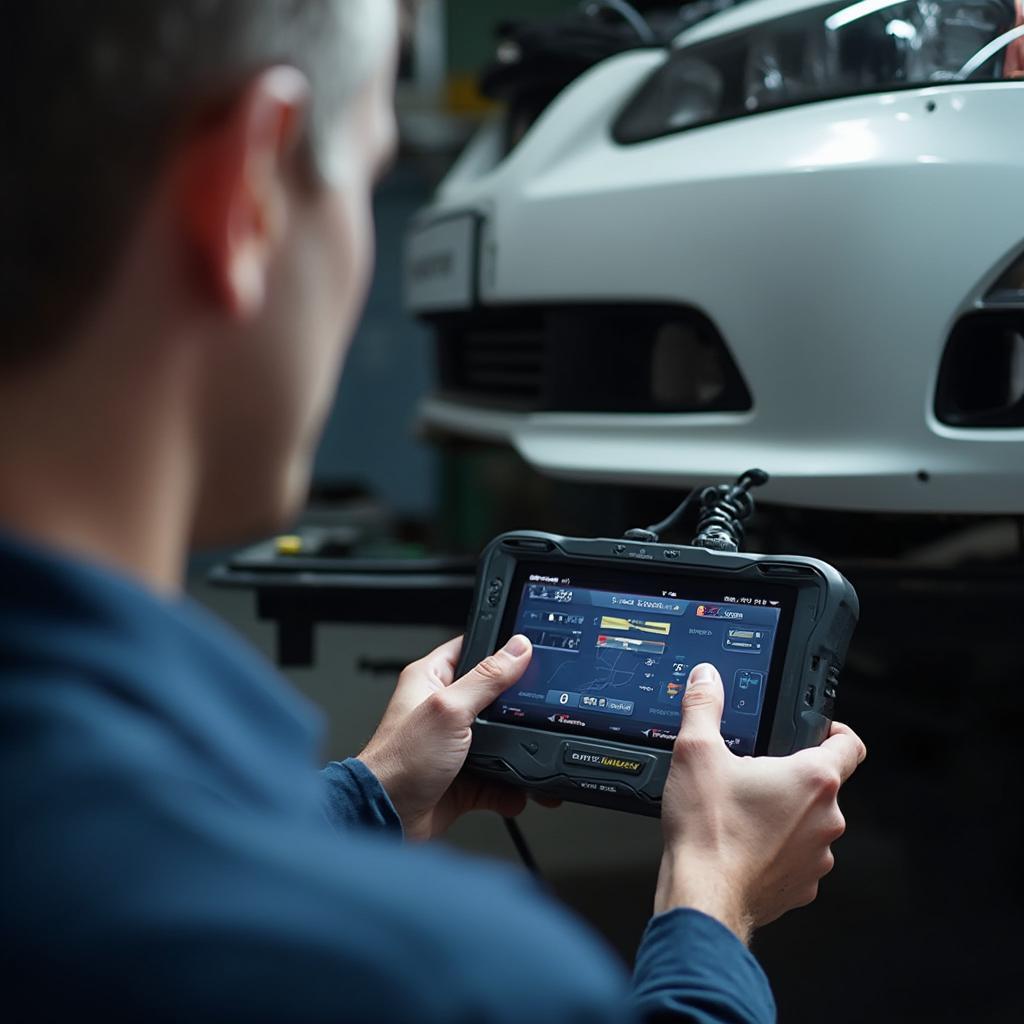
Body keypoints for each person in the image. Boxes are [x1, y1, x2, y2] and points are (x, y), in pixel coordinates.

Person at [0, 2, 866, 1021]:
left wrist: (370, 793)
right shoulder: (449, 980)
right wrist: (711, 900)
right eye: (368, 177)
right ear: (250, 191)